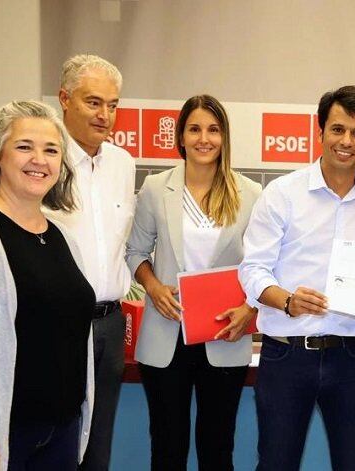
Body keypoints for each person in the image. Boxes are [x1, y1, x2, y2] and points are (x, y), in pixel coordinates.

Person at [239, 85, 355, 471]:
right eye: (338, 129)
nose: (346, 141)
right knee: (275, 464)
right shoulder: (282, 194)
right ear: (319, 130)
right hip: (286, 354)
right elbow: (253, 268)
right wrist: (286, 300)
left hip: (352, 356)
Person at [125, 95, 261, 470]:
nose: (205, 138)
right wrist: (153, 287)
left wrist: (249, 310)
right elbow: (135, 252)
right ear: (180, 137)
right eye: (195, 129)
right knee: (167, 448)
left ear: (225, 137)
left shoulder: (250, 194)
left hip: (225, 334)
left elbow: (263, 266)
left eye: (214, 130)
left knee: (218, 448)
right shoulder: (155, 188)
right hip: (166, 334)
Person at [0, 101, 95, 470]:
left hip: (62, 432)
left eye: (51, 150)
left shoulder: (63, 236)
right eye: (24, 146)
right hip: (3, 433)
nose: (39, 160)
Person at [46, 54, 135, 471]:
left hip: (109, 326)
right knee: (53, 439)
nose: (105, 115)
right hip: (56, 323)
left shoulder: (123, 164)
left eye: (113, 105)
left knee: (99, 445)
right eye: (93, 102)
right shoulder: (42, 159)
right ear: (65, 99)